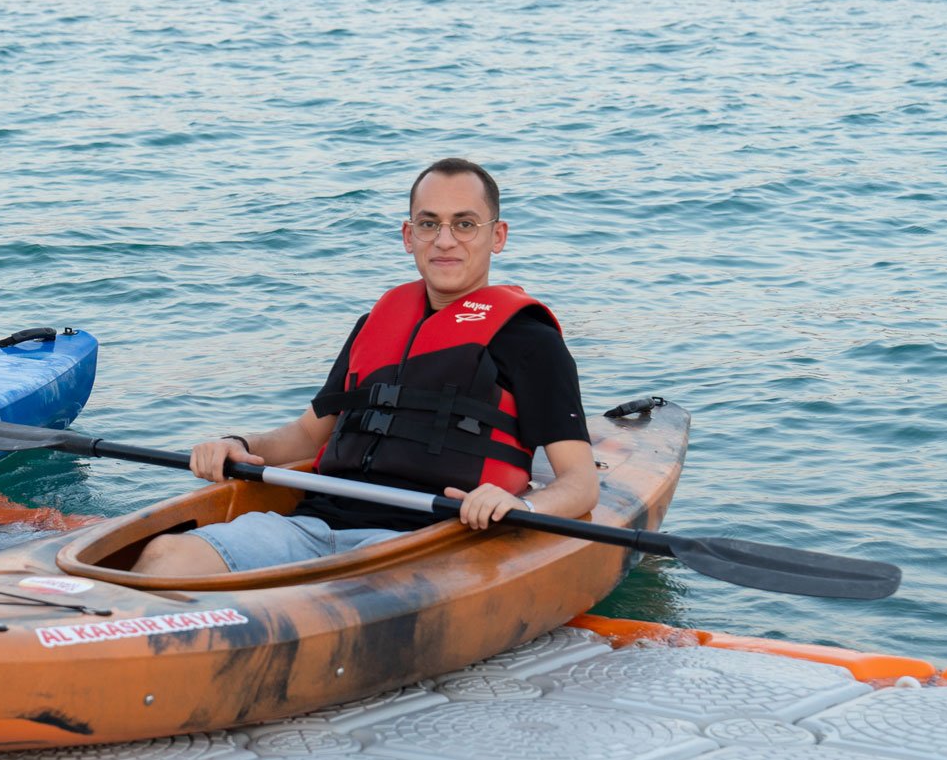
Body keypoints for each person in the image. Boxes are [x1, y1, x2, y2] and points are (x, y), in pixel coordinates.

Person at [132, 157, 599, 576]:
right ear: (407, 235)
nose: (444, 240)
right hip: (313, 523)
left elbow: (579, 484)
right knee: (165, 557)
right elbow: (307, 435)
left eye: (465, 224)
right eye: (429, 223)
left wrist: (518, 504)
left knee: (327, 596)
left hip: (426, 541)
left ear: (497, 236)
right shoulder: (374, 325)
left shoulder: (530, 341)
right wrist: (236, 444)